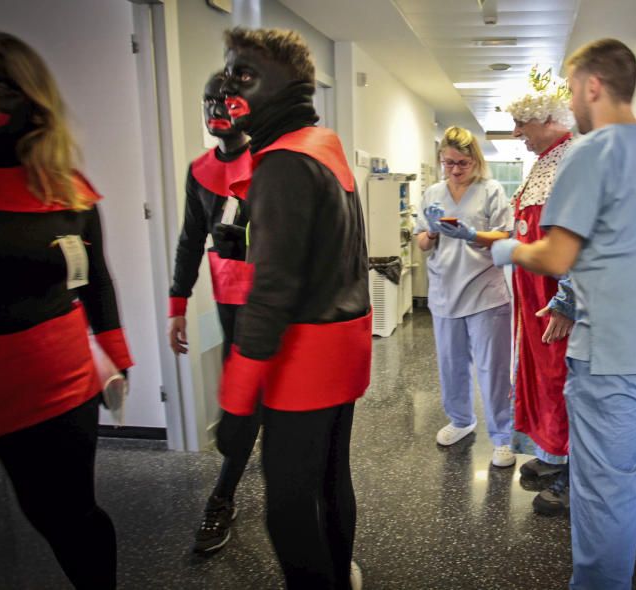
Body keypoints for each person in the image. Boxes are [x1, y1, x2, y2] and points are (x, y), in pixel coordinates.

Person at [492, 39, 636, 589]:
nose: (570, 103)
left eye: (572, 90)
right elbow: (628, 244)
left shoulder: (588, 153)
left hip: (612, 350)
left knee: (603, 487)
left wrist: (505, 248)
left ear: (593, 86)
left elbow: (556, 254)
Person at [216, 28, 370, 590]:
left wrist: (237, 400)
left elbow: (274, 288)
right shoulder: (322, 143)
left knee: (285, 506)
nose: (227, 86)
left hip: (304, 356)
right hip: (343, 345)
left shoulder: (282, 162)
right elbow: (329, 248)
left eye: (243, 75)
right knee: (331, 480)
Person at [0, 31, 134, 589]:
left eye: (3, 87)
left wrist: (119, 356)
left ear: (32, 99)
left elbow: (95, 281)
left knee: (67, 518)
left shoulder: (67, 191)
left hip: (55, 388)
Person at [167, 71, 255, 555]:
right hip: (227, 297)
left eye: (229, 102)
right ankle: (234, 473)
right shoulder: (200, 170)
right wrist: (177, 304)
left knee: (245, 400)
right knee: (242, 394)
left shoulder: (270, 162)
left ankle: (221, 495)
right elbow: (188, 240)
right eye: (210, 102)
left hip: (272, 298)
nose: (218, 110)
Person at [415, 126, 515, 468]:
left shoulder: (491, 190)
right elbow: (422, 243)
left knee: (494, 369)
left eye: (462, 163)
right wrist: (431, 231)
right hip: (445, 291)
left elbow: (504, 234)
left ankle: (503, 435)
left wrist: (471, 233)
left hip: (485, 290)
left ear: (475, 160)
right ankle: (461, 420)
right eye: (448, 163)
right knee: (451, 365)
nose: (455, 170)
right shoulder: (432, 193)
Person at [503, 67, 577, 515]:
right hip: (530, 297)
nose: (517, 134)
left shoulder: (574, 158)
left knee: (563, 381)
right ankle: (553, 453)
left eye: (522, 124)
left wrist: (569, 297)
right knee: (541, 379)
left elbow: (579, 235)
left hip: (553, 296)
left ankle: (575, 472)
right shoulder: (543, 162)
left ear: (548, 119)